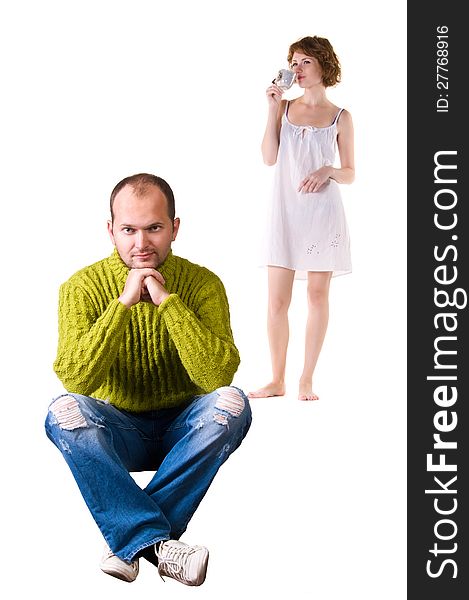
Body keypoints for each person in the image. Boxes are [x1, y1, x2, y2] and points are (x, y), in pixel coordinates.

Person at [45, 173, 252, 587]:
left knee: (233, 402)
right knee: (62, 411)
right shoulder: (81, 287)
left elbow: (216, 375)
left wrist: (166, 303)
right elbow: (77, 379)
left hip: (186, 431)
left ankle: (130, 541)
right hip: (118, 432)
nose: (141, 243)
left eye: (154, 228)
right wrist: (123, 303)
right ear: (111, 231)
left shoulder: (203, 283)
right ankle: (156, 545)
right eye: (129, 230)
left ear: (174, 228)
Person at [249, 35, 355, 402]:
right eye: (293, 62)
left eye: (305, 61)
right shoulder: (285, 107)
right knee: (277, 300)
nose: (297, 69)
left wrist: (328, 169)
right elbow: (268, 157)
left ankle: (305, 379)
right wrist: (271, 108)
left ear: (324, 65)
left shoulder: (341, 117)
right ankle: (277, 378)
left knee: (316, 294)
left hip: (322, 215)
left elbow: (350, 173)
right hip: (285, 211)